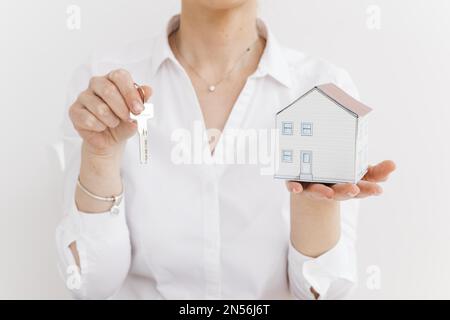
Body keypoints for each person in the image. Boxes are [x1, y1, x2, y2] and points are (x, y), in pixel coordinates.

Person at [56, 0, 396, 300]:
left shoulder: (322, 91)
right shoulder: (105, 89)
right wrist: (101, 156)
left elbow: (323, 294)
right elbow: (91, 284)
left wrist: (313, 207)